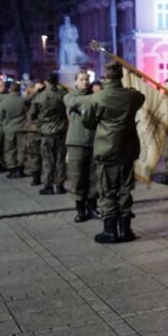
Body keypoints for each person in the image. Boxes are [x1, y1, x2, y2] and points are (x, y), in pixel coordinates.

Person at [79, 60, 146, 243]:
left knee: (107, 190)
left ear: (105, 76)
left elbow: (87, 122)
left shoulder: (97, 98)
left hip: (107, 150)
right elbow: (141, 98)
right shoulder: (132, 96)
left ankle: (110, 232)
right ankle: (125, 231)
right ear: (121, 76)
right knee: (125, 189)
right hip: (127, 149)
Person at [65, 70, 98, 222]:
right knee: (77, 177)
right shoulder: (70, 96)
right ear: (75, 81)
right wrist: (92, 100)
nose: (85, 82)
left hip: (93, 141)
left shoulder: (94, 97)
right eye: (81, 79)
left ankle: (92, 208)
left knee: (93, 178)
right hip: (76, 142)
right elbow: (73, 103)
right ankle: (80, 210)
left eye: (87, 79)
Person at [32, 73, 68, 195]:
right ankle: (60, 185)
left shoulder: (40, 96)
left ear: (46, 81)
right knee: (60, 160)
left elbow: (32, 114)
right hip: (61, 132)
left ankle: (48, 185)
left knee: (47, 160)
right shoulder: (63, 95)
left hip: (46, 133)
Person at [0, 80, 28, 178]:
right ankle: (20, 170)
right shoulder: (23, 101)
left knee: (10, 149)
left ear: (10, 89)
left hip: (9, 129)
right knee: (21, 149)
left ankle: (12, 170)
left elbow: (0, 116)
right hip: (21, 128)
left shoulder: (4, 102)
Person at [24, 80, 45, 185]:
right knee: (34, 154)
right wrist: (36, 92)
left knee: (46, 155)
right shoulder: (30, 98)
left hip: (45, 130)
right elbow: (25, 102)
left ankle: (49, 177)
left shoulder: (47, 98)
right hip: (33, 130)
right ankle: (36, 176)